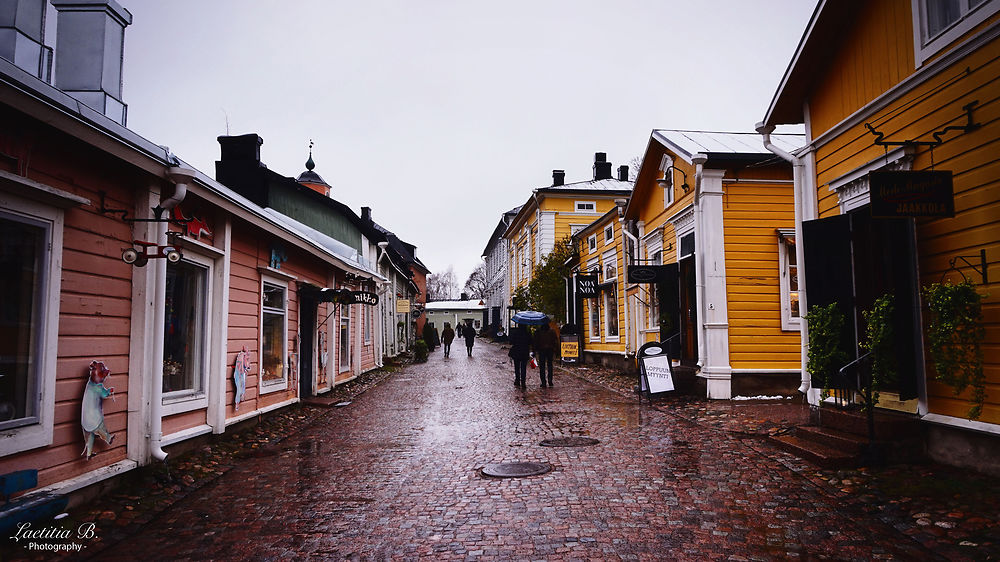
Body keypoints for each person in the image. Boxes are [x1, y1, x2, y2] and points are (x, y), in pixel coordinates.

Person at [533, 322, 558, 387]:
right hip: (550, 350)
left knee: (542, 366)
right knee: (550, 365)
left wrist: (534, 351)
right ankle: (550, 381)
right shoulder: (552, 331)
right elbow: (555, 341)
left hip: (541, 350)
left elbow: (535, 342)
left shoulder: (538, 332)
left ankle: (543, 382)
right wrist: (555, 349)